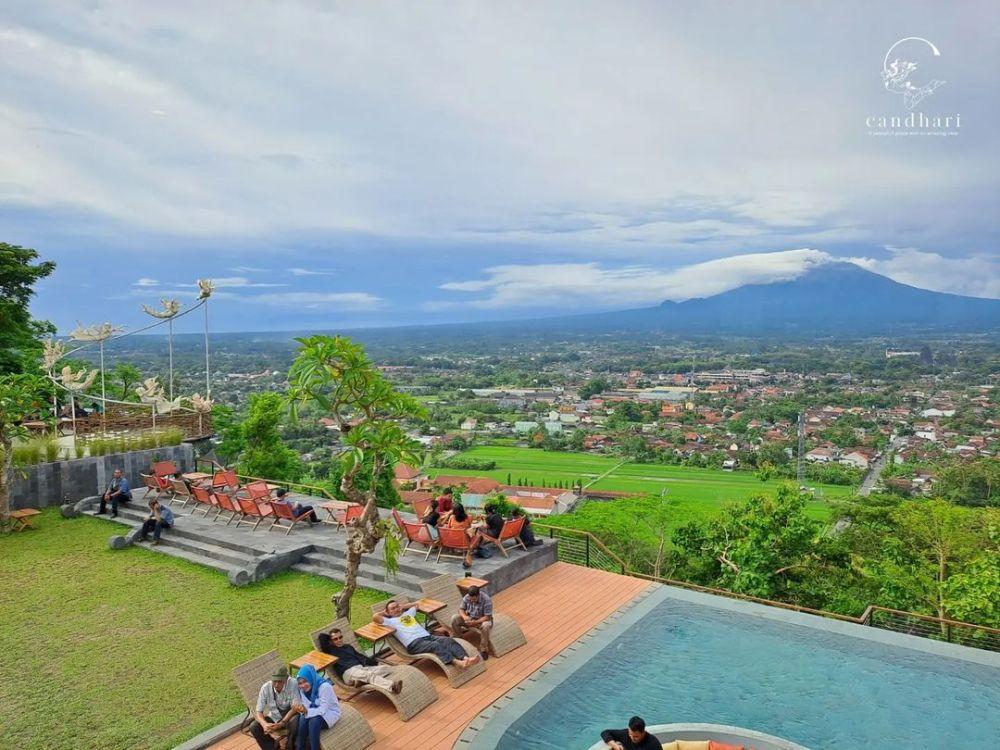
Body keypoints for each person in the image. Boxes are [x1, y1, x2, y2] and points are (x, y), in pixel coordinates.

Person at [374, 600, 481, 668]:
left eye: (397, 606)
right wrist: (385, 613)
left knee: (447, 640)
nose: (396, 609)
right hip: (414, 644)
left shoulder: (408, 613)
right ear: (388, 612)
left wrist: (403, 606)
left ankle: (466, 658)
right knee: (436, 646)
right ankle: (457, 663)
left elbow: (416, 604)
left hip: (427, 637)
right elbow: (375, 617)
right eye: (393, 608)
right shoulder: (390, 621)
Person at [318, 627, 402, 693]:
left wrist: (376, 663)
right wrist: (329, 638)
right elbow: (321, 636)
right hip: (348, 672)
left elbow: (361, 657)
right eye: (335, 639)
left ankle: (361, 681)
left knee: (386, 668)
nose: (339, 640)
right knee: (368, 675)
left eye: (340, 637)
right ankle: (392, 686)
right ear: (331, 641)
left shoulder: (348, 647)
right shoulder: (330, 650)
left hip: (361, 668)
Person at [250, 665, 300, 750]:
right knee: (254, 727)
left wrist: (282, 723)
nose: (276, 684)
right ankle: (273, 747)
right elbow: (259, 711)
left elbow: (295, 707)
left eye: (280, 681)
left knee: (295, 722)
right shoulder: (265, 688)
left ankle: (290, 747)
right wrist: (264, 724)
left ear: (286, 679)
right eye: (274, 681)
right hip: (275, 717)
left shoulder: (293, 683)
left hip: (290, 716)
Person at [293, 664, 340, 750]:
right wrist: (301, 709)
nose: (303, 685)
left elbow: (323, 710)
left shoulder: (325, 687)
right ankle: (300, 747)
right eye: (300, 683)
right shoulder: (302, 690)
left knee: (314, 721)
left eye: (305, 681)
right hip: (314, 711)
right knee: (303, 718)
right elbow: (306, 707)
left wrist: (306, 711)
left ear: (310, 678)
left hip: (329, 712)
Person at [449, 585, 493, 660]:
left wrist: (475, 622)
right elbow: (461, 609)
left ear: (478, 595)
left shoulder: (487, 600)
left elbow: (487, 617)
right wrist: (465, 617)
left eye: (474, 599)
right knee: (455, 618)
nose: (472, 601)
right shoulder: (467, 597)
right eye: (471, 599)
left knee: (486, 626)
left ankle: (483, 650)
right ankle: (459, 640)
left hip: (481, 620)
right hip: (469, 619)